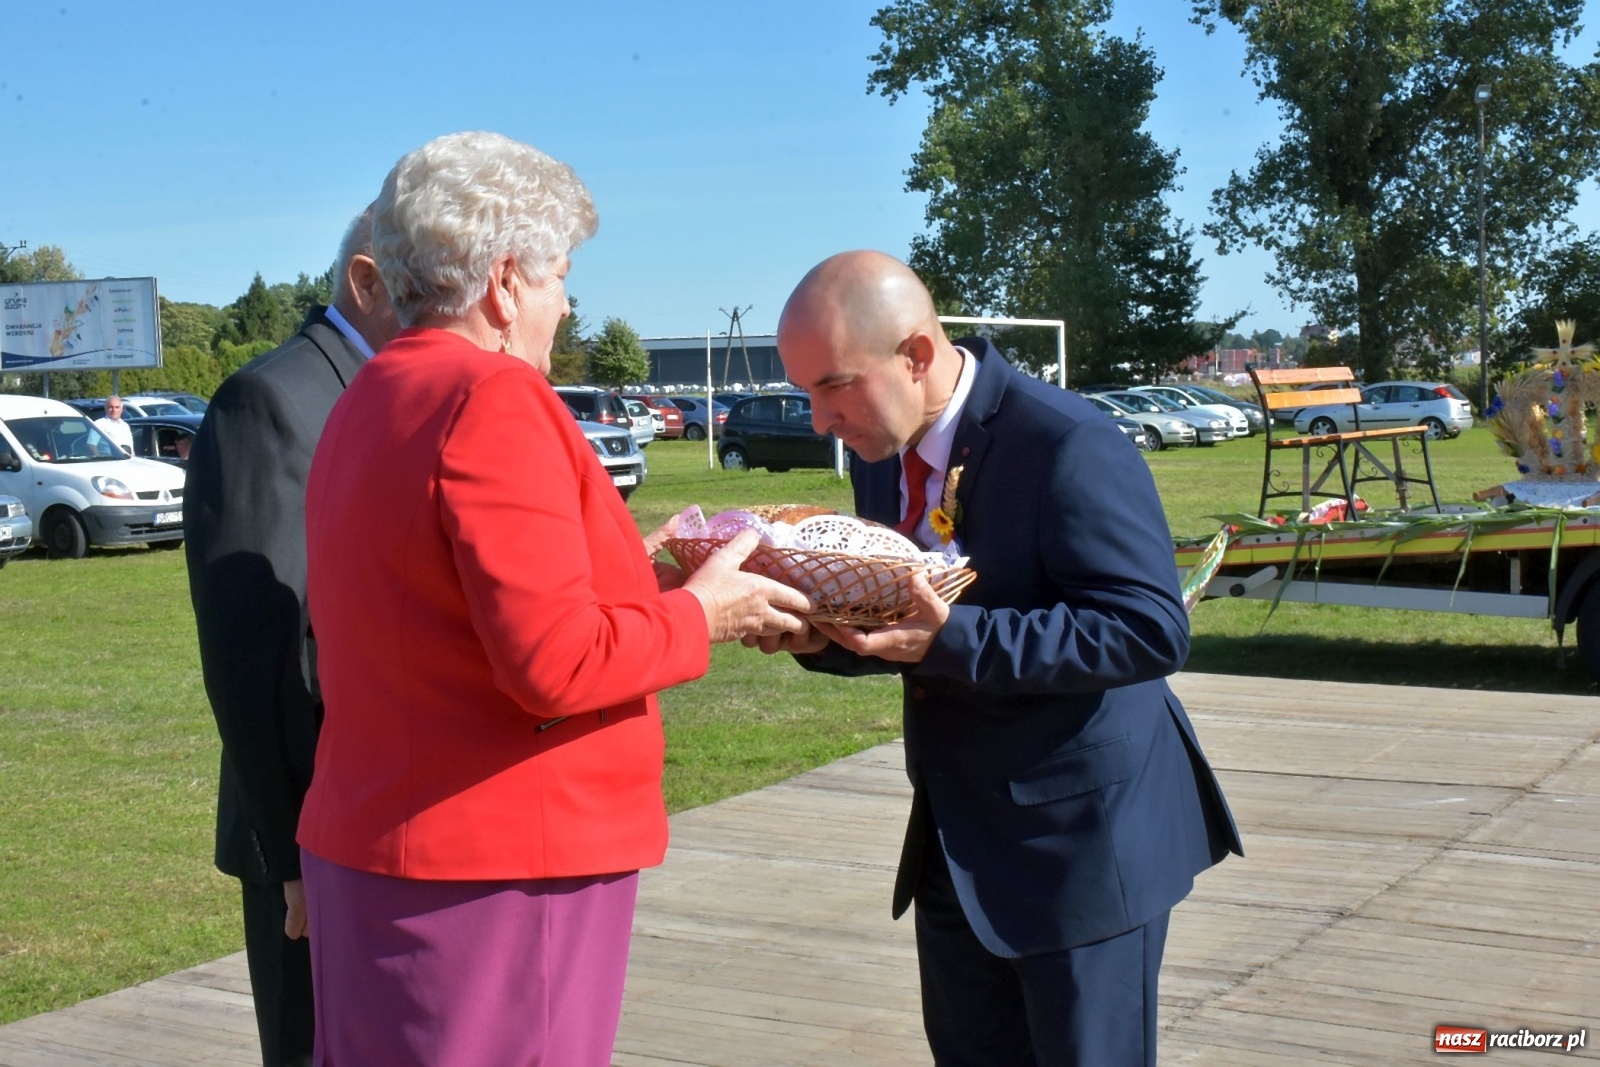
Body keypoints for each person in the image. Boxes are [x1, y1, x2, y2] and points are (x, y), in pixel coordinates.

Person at [295, 131, 810, 1067]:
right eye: (559, 277)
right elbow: (552, 662)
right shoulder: (493, 397)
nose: (566, 305)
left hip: (385, 847)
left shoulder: (369, 395)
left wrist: (634, 573)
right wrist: (707, 612)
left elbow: (439, 604)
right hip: (493, 867)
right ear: (503, 283)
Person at [767, 250, 1243, 1066]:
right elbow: (908, 625)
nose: (819, 421)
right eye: (804, 391)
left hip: (1081, 850)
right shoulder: (882, 454)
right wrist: (823, 636)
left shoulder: (1067, 440)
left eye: (833, 385)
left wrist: (956, 638)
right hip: (957, 846)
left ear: (917, 355)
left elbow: (1150, 627)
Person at [184, 205, 398, 1067]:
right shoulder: (273, 400)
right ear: (368, 280)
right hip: (310, 844)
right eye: (426, 279)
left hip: (387, 826)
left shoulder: (387, 393)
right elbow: (259, 654)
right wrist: (295, 853)